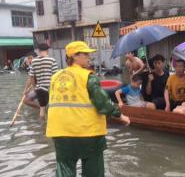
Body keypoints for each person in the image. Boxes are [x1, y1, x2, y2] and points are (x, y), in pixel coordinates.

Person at [46, 41, 130, 177]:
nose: (88, 57)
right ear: (74, 56)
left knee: (64, 170)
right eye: (85, 54)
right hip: (87, 132)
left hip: (60, 132)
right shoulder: (88, 77)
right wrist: (121, 116)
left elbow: (51, 104)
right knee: (93, 171)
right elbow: (103, 103)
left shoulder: (55, 77)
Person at [23, 43, 58, 118]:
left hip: (39, 89)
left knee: (39, 108)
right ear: (47, 50)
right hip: (49, 89)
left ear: (38, 50)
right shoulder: (52, 60)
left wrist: (31, 88)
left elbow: (31, 77)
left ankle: (41, 121)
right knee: (49, 108)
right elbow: (56, 76)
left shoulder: (34, 61)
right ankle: (45, 125)